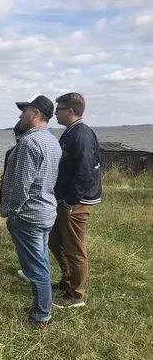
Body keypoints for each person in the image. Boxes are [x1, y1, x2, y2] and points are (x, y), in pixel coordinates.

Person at [0, 94, 61, 328]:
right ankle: (40, 306)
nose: (20, 115)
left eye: (24, 111)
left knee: (36, 268)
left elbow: (21, 184)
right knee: (41, 262)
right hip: (45, 211)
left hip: (29, 215)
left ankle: (42, 315)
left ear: (35, 114)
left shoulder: (28, 142)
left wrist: (12, 211)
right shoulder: (52, 141)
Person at [49, 93, 102, 309]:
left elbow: (85, 172)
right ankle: (67, 279)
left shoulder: (80, 135)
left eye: (58, 109)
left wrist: (70, 201)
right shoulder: (71, 133)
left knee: (74, 247)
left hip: (76, 203)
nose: (55, 113)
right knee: (55, 241)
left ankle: (76, 294)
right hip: (65, 200)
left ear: (70, 111)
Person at [0, 121, 29, 282]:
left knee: (24, 241)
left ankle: (31, 272)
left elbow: (12, 180)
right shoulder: (50, 145)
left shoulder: (13, 152)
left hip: (20, 205)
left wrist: (11, 207)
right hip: (43, 206)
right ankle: (32, 271)